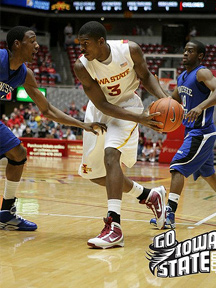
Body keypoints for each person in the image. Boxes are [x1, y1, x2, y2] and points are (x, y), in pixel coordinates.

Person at [0, 26, 106, 231]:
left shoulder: (24, 74)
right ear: (17, 44)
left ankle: (6, 213)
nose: (37, 46)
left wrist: (82, 125)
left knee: (17, 153)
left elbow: (47, 109)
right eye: (32, 41)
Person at [74, 21, 169, 249]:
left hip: (128, 106)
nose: (81, 49)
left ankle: (114, 226)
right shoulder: (82, 66)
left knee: (111, 157)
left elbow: (145, 77)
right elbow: (102, 104)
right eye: (79, 44)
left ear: (101, 42)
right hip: (99, 112)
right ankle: (148, 195)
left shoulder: (129, 50)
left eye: (85, 44)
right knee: (93, 174)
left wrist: (165, 99)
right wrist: (141, 120)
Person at [150, 40, 216, 228]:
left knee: (177, 166)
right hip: (191, 131)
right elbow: (170, 102)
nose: (185, 53)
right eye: (185, 50)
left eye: (190, 51)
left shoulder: (202, 72)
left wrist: (200, 107)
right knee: (208, 173)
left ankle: (169, 215)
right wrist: (154, 86)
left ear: (200, 56)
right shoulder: (182, 77)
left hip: (202, 132)